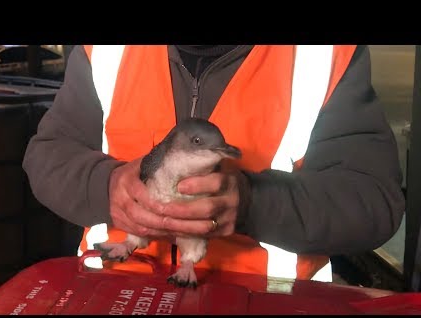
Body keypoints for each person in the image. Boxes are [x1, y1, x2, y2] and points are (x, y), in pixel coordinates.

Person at [22, 45, 405, 283]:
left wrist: (254, 202)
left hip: (266, 302)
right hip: (112, 291)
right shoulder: (103, 49)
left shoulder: (325, 52)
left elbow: (374, 200)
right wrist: (105, 187)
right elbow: (47, 155)